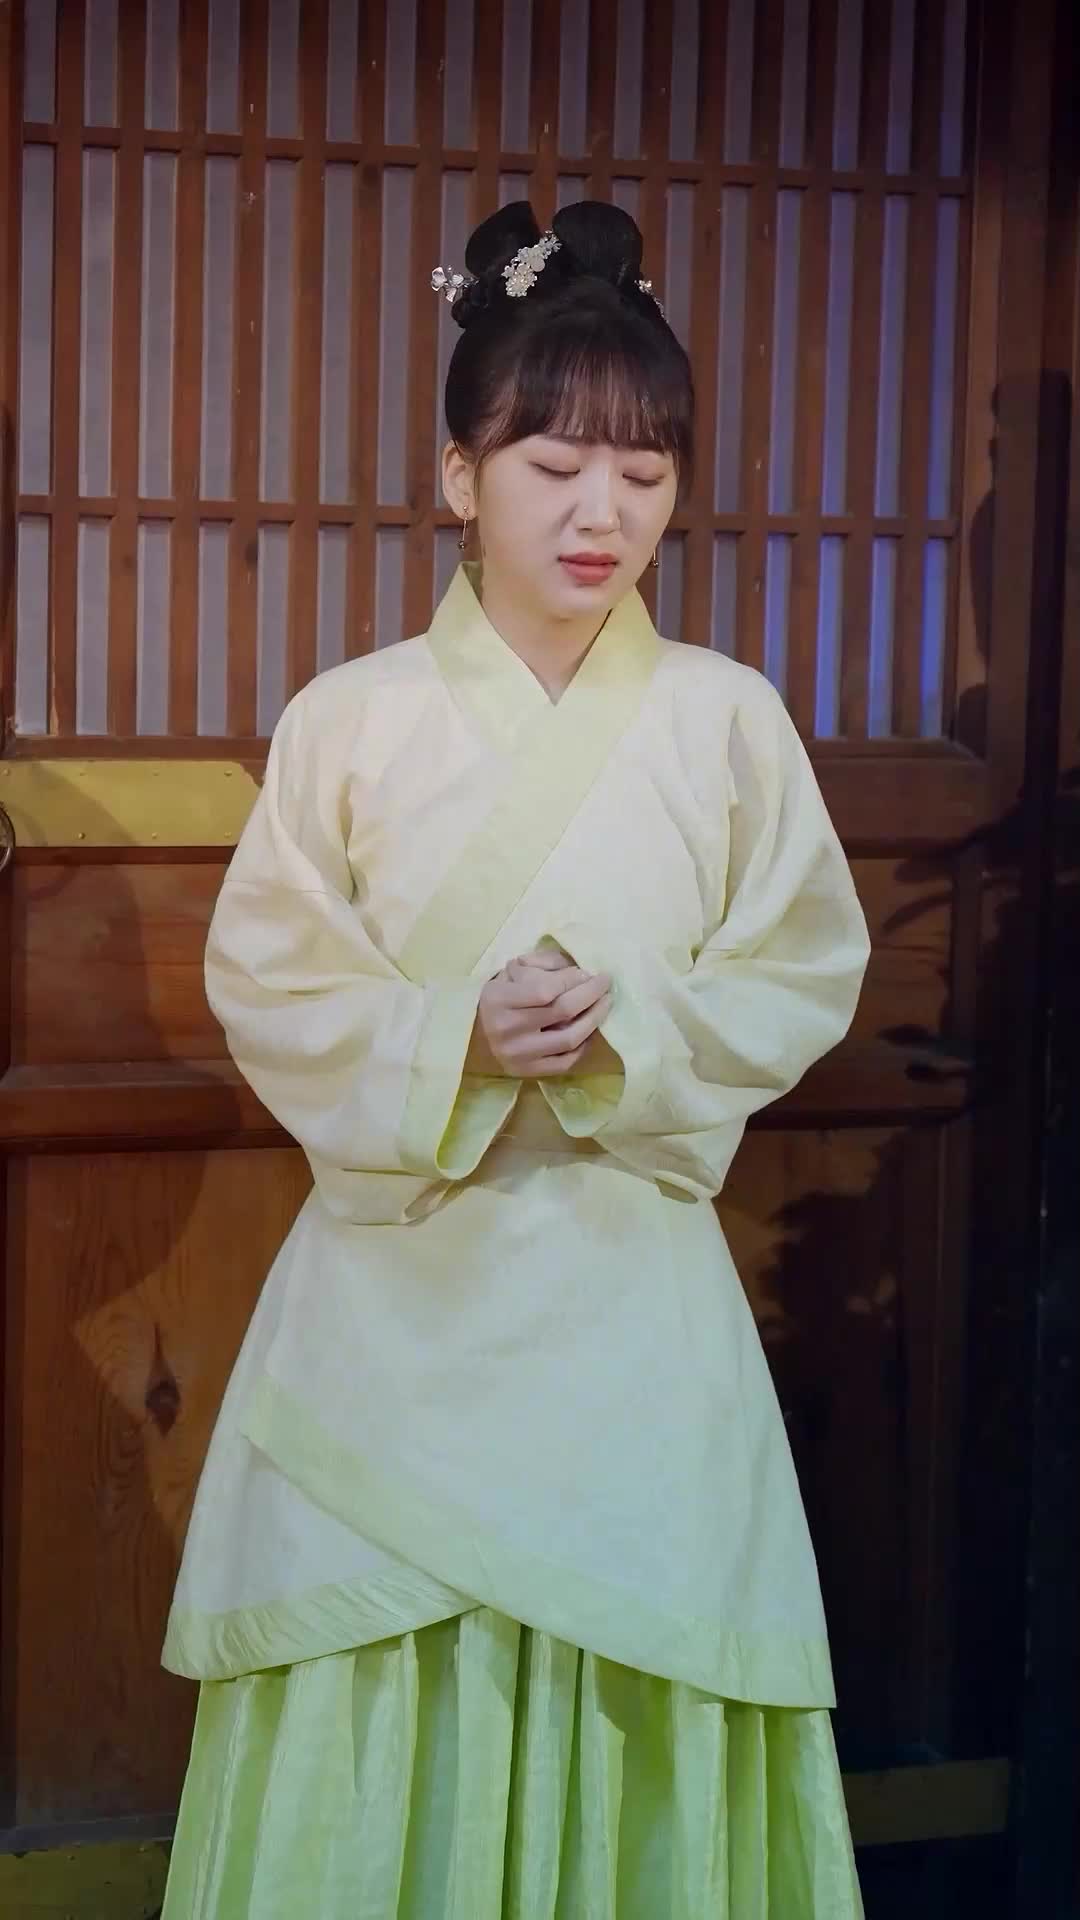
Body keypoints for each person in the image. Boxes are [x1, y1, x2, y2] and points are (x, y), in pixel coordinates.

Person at [161, 199, 870, 1918]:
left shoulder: (727, 719)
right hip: (399, 1294)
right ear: (459, 475)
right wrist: (447, 1038)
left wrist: (635, 1031)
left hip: (632, 1286)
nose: (600, 511)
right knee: (380, 1663)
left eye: (643, 471)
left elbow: (805, 963)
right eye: (553, 464)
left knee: (636, 1651)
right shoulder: (349, 719)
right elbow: (269, 975)